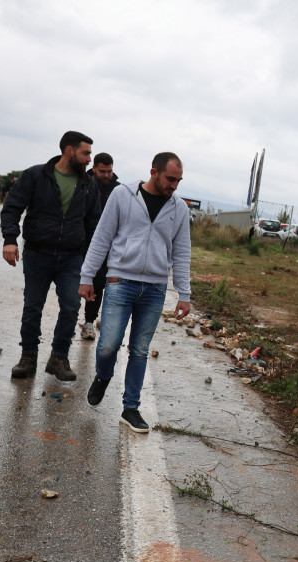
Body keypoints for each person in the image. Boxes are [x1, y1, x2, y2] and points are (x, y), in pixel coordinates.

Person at [79, 152, 191, 433]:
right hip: (120, 282)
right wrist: (87, 276)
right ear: (154, 172)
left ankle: (131, 408)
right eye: (170, 179)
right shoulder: (122, 195)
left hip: (155, 289)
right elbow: (102, 237)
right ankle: (103, 377)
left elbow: (181, 252)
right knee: (107, 346)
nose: (174, 185)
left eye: (178, 180)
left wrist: (184, 294)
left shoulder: (180, 209)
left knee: (139, 350)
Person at [0, 131, 101, 381]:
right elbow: (12, 207)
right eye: (85, 153)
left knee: (71, 305)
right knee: (33, 306)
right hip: (37, 253)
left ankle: (59, 357)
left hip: (71, 257)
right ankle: (28, 356)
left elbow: (93, 225)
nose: (89, 159)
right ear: (69, 151)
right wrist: (10, 240)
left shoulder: (89, 185)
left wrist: (90, 262)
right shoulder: (36, 175)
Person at [80, 152, 120, 340]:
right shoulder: (82, 185)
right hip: (80, 242)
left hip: (106, 247)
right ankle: (67, 321)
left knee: (97, 286)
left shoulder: (118, 190)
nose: (106, 175)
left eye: (109, 171)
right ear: (94, 169)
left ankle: (89, 321)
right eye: (102, 171)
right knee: (75, 285)